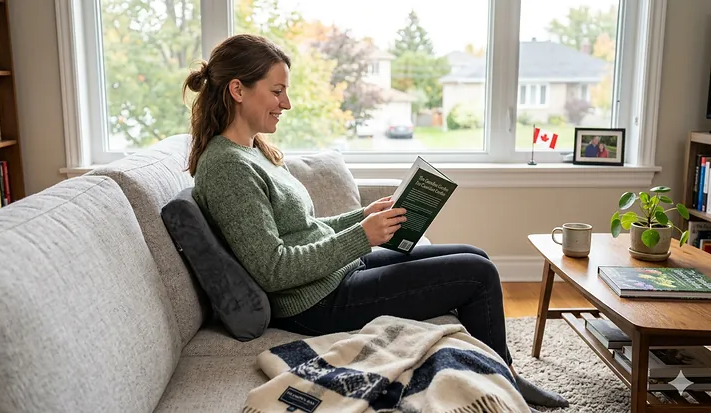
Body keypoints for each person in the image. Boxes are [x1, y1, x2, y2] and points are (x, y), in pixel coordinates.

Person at [183, 34, 568, 410]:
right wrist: (362, 237)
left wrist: (362, 217)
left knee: (476, 255)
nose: (287, 103)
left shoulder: (253, 152)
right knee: (476, 275)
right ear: (237, 89)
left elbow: (301, 229)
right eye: (277, 90)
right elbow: (273, 268)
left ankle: (497, 368)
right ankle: (506, 380)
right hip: (314, 303)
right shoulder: (227, 168)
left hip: (333, 275)